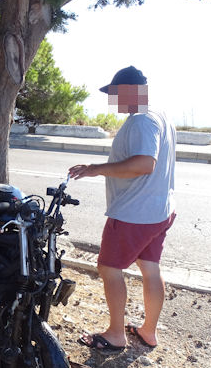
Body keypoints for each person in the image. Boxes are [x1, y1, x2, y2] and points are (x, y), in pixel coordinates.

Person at [68, 66, 176, 350]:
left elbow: (144, 164)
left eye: (114, 93)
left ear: (130, 91)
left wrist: (95, 169)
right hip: (159, 211)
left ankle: (116, 334)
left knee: (108, 268)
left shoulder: (141, 120)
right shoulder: (159, 115)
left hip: (134, 214)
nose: (112, 99)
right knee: (150, 268)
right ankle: (148, 331)